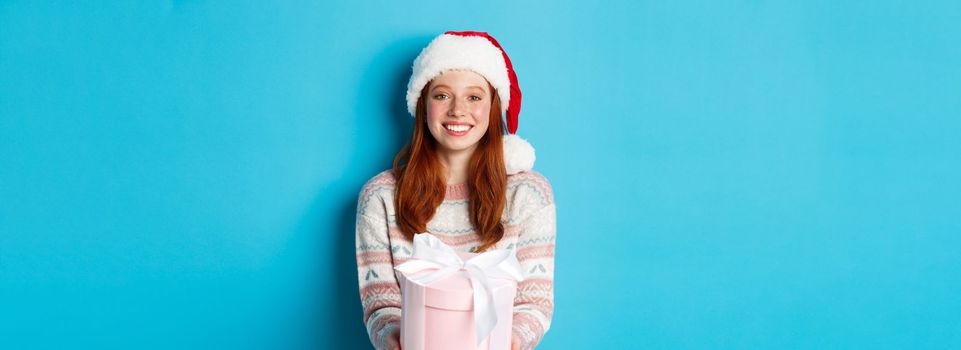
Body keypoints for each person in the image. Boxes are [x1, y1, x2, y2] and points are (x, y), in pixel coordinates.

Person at [355, 31, 556, 350]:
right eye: (442, 95)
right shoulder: (380, 197)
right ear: (422, 104)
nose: (458, 110)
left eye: (474, 97)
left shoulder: (529, 194)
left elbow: (534, 303)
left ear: (493, 107)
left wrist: (508, 343)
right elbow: (382, 304)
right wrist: (393, 336)